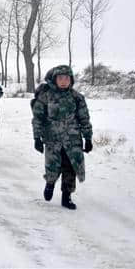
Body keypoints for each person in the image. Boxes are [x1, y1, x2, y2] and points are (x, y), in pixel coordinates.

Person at [31, 65, 93, 210]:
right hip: (52, 139)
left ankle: (67, 196)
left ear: (71, 79)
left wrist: (88, 138)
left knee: (71, 167)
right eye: (60, 78)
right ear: (54, 79)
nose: (64, 81)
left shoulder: (77, 97)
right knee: (53, 166)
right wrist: (37, 138)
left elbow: (84, 119)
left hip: (73, 139)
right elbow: (37, 118)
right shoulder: (45, 96)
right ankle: (50, 183)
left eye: (67, 78)